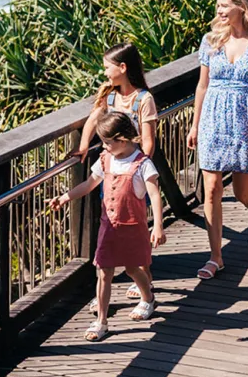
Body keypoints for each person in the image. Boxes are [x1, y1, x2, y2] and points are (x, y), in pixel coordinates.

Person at [186, 0, 248, 279]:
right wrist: (195, 123)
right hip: (212, 119)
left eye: (225, 5)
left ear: (242, 7)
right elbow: (202, 85)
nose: (220, 11)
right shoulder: (210, 41)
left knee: (241, 191)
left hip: (245, 121)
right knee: (212, 189)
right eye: (218, 5)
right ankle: (216, 257)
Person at [50, 111, 166, 341]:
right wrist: (65, 197)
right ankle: (101, 321)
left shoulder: (142, 164)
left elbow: (154, 194)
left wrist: (158, 226)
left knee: (133, 268)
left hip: (133, 228)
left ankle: (148, 297)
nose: (104, 146)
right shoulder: (106, 159)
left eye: (107, 142)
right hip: (109, 227)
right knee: (103, 272)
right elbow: (89, 184)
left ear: (122, 140)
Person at [77, 42, 160, 299]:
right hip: (112, 170)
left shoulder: (144, 99)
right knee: (113, 220)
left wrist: (139, 163)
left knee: (136, 225)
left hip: (134, 170)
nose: (104, 73)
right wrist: (83, 147)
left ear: (122, 68)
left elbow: (148, 140)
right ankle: (116, 279)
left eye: (107, 68)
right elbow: (93, 119)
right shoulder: (110, 96)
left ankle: (145, 276)